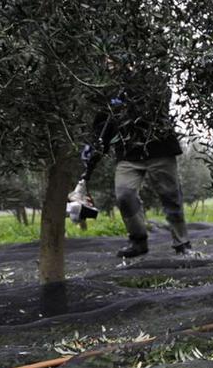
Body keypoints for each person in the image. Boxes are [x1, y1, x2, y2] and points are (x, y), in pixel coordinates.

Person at [82, 58, 194, 258]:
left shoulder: (152, 79)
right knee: (124, 194)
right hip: (128, 153)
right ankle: (138, 241)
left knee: (171, 197)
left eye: (112, 60)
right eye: (106, 60)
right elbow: (103, 125)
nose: (109, 64)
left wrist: (131, 94)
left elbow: (163, 98)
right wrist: (93, 146)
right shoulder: (108, 88)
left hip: (159, 147)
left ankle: (182, 244)